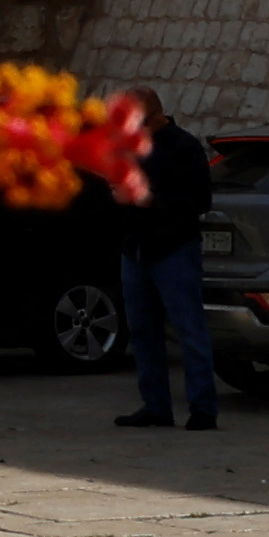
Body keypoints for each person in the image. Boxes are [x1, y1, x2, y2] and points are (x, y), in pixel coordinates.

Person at [114, 90, 219, 431]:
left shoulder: (183, 147)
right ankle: (155, 406)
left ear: (154, 114)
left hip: (173, 248)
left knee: (189, 329)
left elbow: (199, 199)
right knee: (143, 332)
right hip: (136, 249)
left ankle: (203, 408)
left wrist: (152, 201)